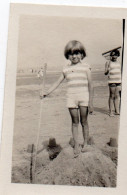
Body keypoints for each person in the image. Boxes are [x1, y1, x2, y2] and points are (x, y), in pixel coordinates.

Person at [40, 40, 93, 158]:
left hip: (84, 97)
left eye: (77, 53)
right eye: (71, 54)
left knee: (84, 121)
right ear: (67, 56)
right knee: (75, 122)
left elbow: (90, 85)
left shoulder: (86, 67)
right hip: (71, 98)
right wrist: (46, 92)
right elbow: (57, 82)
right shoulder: (66, 69)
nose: (74, 56)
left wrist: (91, 102)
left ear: (82, 54)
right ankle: (76, 145)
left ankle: (85, 144)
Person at [104, 49, 122, 117]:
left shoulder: (119, 63)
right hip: (112, 81)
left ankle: (117, 111)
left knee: (117, 96)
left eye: (115, 55)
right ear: (111, 55)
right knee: (112, 96)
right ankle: (111, 111)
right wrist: (107, 70)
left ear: (117, 55)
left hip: (119, 81)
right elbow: (105, 73)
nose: (114, 56)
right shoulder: (108, 62)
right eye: (113, 55)